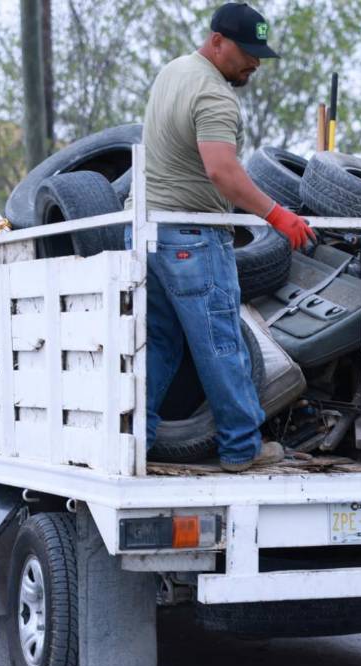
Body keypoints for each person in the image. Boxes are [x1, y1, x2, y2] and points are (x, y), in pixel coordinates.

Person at [139, 2, 315, 471]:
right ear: (217, 41)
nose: (255, 63)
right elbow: (222, 170)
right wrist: (278, 215)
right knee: (221, 343)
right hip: (194, 236)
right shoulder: (215, 95)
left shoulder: (173, 72)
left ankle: (136, 437)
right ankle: (242, 448)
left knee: (159, 343)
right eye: (247, 52)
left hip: (151, 233)